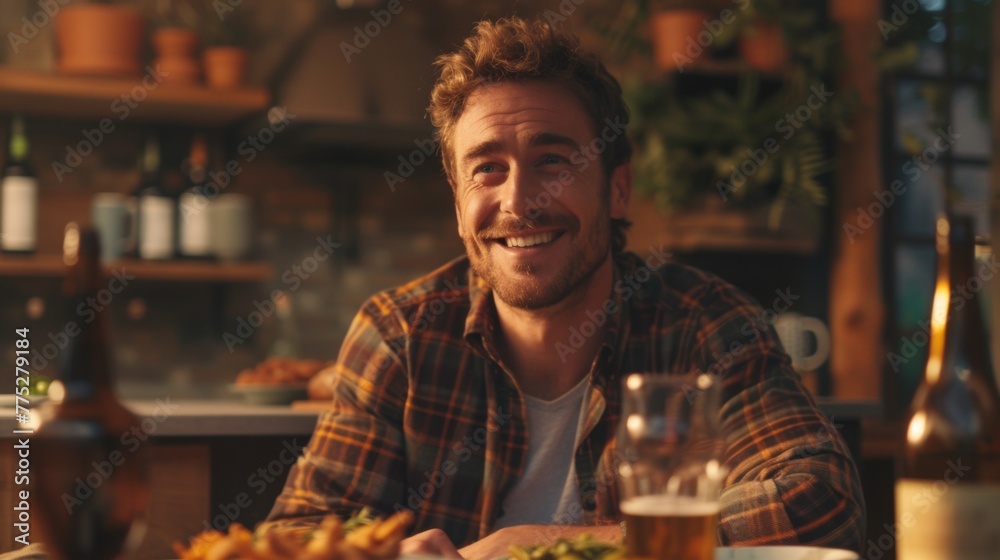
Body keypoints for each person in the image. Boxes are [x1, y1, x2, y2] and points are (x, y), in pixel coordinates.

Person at [265, 17, 865, 559]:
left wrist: (551, 547)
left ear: (618, 188)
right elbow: (297, 536)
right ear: (458, 203)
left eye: (553, 161)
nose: (519, 202)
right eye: (487, 168)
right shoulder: (400, 335)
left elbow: (823, 503)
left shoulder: (703, 323)